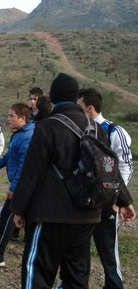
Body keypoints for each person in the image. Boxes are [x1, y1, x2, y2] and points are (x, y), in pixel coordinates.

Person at [11, 73, 135, 288]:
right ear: (75, 97)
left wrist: (19, 209)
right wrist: (125, 200)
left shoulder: (48, 127)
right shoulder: (96, 128)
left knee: (38, 271)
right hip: (87, 216)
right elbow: (109, 168)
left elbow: (31, 173)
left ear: (54, 98)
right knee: (76, 276)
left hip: (50, 215)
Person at [78, 87, 134, 288]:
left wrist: (117, 198)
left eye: (79, 106)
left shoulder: (114, 131)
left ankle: (114, 284)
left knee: (108, 249)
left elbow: (125, 166)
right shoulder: (80, 129)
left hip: (107, 204)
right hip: (84, 201)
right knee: (78, 248)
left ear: (89, 107)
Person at [0, 103, 35, 267]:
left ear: (22, 119)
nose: (8, 119)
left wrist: (13, 188)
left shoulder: (27, 137)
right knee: (8, 218)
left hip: (22, 186)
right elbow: (10, 155)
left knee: (8, 218)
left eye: (12, 116)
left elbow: (24, 166)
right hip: (20, 185)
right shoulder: (20, 134)